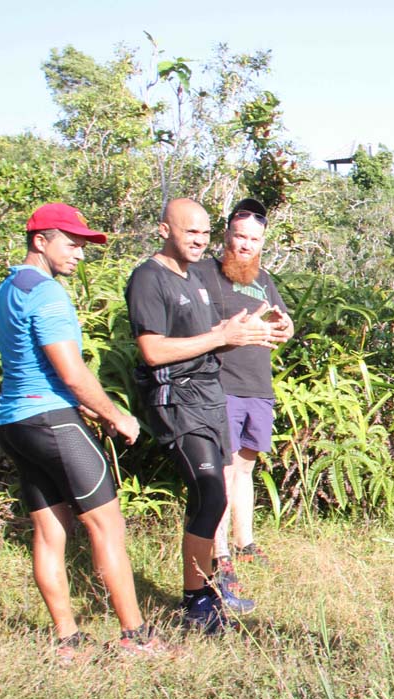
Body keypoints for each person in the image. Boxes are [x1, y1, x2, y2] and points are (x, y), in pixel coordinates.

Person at [0, 203, 172, 662]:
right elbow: (70, 373)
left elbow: (32, 366)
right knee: (106, 526)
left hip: (14, 422)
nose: (78, 254)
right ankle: (136, 637)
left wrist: (80, 409)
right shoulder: (49, 295)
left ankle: (68, 641)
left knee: (50, 530)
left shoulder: (9, 288)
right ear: (40, 240)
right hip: (51, 420)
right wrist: (115, 415)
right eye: (71, 244)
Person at [124, 198, 279, 632]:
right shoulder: (148, 278)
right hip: (177, 399)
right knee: (211, 494)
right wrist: (221, 337)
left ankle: (208, 591)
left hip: (209, 394)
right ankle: (197, 602)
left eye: (204, 233)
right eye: (190, 232)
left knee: (214, 494)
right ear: (164, 230)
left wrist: (245, 334)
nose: (199, 240)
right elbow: (153, 351)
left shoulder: (194, 279)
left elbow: (212, 339)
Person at [192, 199, 293, 588]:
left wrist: (286, 328)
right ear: (227, 236)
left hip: (257, 386)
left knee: (247, 467)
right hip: (222, 385)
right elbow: (191, 325)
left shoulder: (262, 278)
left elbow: (283, 323)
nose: (246, 245)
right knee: (224, 469)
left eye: (254, 239)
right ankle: (219, 552)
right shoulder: (204, 274)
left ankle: (245, 542)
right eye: (240, 236)